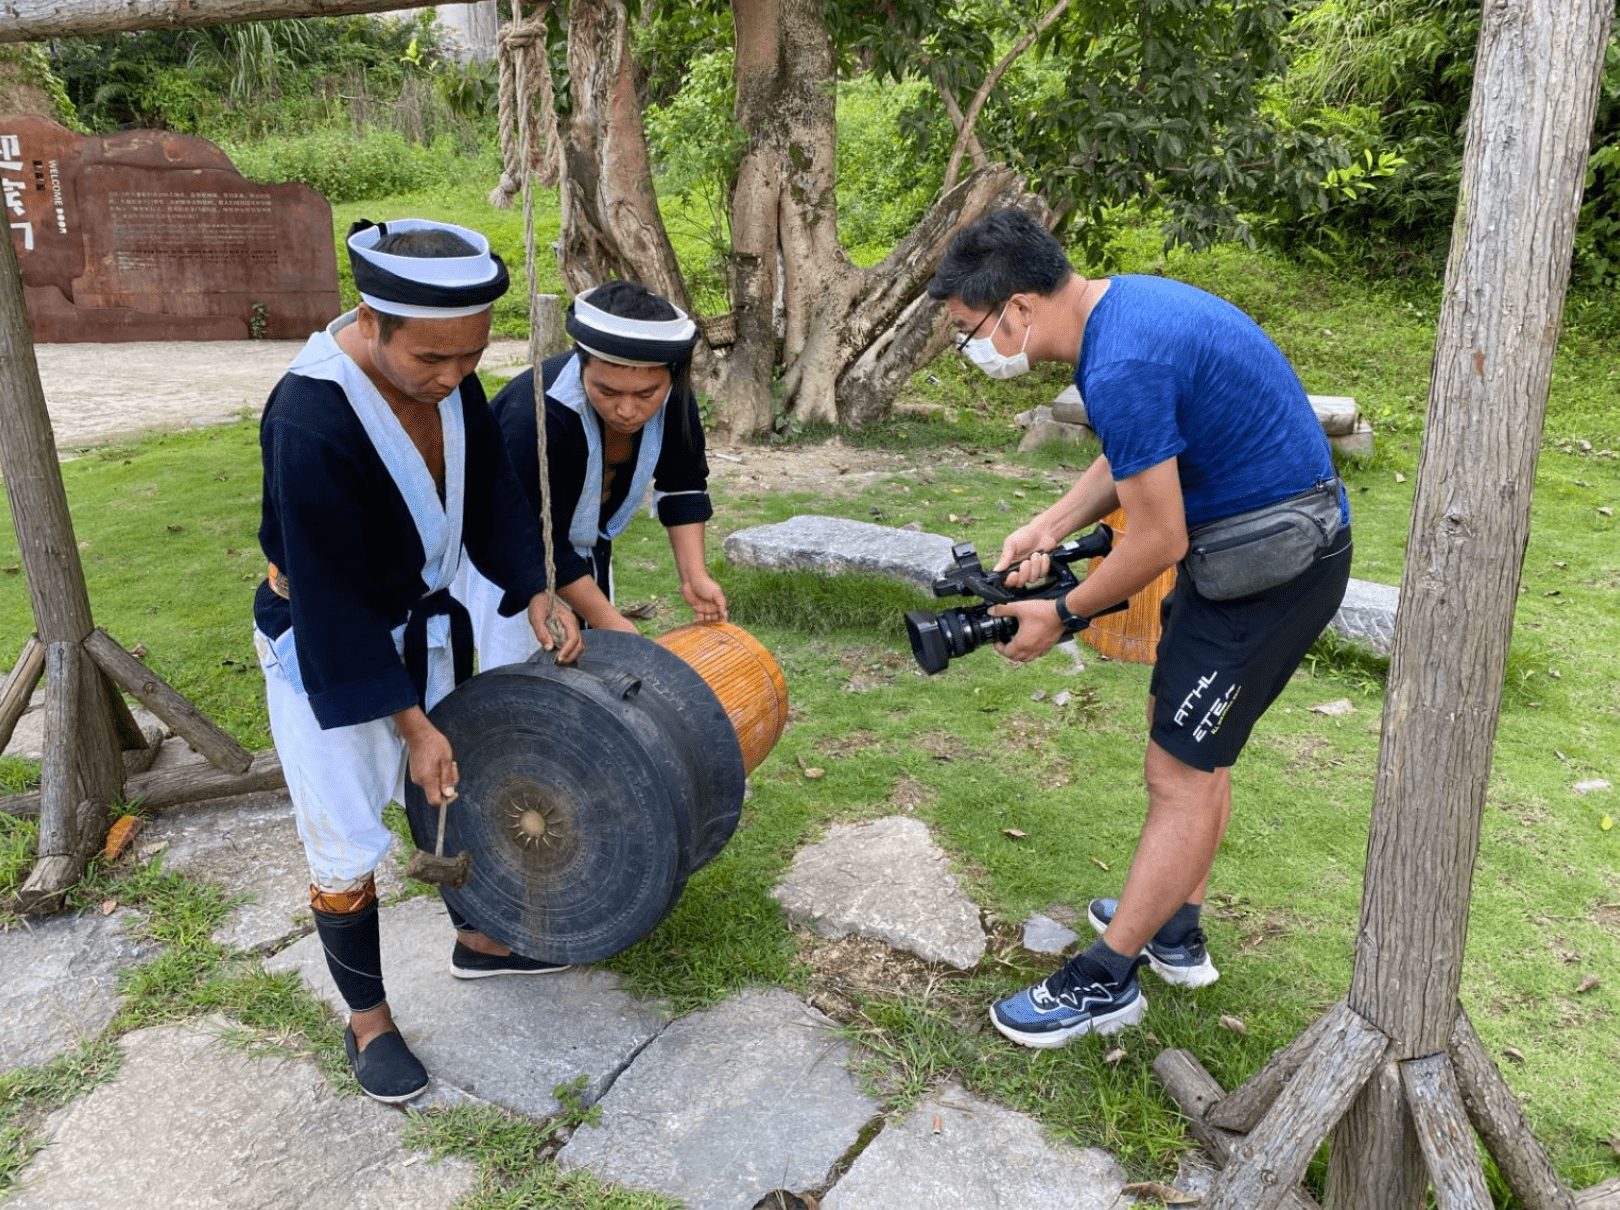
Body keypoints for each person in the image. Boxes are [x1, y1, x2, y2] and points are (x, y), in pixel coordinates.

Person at [926, 208, 1351, 1048]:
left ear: (1016, 306)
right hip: (1260, 551)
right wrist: (1051, 524)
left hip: (1271, 572)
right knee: (1194, 747)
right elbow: (1136, 452)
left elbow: (1159, 538)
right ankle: (1173, 928)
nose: (974, 349)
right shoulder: (1123, 312)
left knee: (1180, 777)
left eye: (968, 330)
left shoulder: (1119, 359)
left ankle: (1104, 980)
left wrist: (1062, 614)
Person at [254, 218, 585, 1103]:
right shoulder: (311, 418)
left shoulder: (451, 378)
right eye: (432, 361)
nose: (453, 378)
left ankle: (478, 941)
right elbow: (327, 595)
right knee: (345, 834)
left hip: (424, 626)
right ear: (372, 320)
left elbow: (494, 500)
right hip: (329, 638)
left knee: (453, 783)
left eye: (471, 357)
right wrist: (410, 722)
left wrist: (535, 587)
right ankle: (370, 1023)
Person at [455, 280, 726, 667]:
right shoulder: (533, 417)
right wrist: (611, 622)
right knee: (524, 677)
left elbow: (682, 485)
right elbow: (531, 533)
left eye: (646, 394)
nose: (627, 410)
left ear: (670, 377)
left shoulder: (673, 397)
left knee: (594, 678)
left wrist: (694, 576)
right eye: (608, 392)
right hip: (515, 556)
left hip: (585, 552)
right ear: (581, 362)